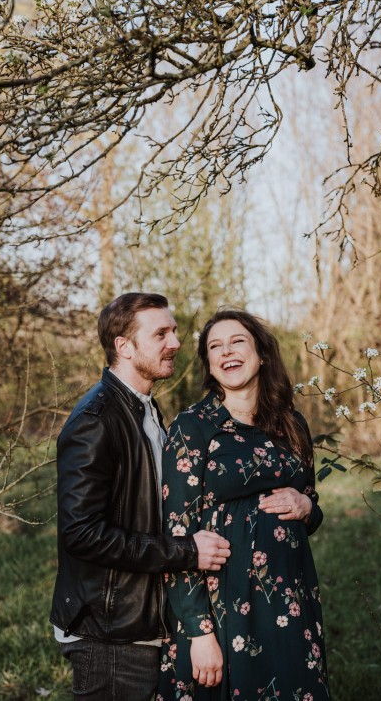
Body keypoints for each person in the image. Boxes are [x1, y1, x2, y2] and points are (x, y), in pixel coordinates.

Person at [50, 292, 231, 701]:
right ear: (124, 347)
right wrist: (185, 551)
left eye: (175, 331)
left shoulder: (144, 409)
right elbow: (81, 533)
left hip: (137, 627)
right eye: (162, 333)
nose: (177, 342)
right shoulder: (95, 421)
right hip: (110, 634)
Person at [157, 309, 330, 700]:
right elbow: (178, 535)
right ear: (209, 364)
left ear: (261, 353)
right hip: (223, 609)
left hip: (291, 601)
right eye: (214, 346)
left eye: (237, 341)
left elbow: (312, 509)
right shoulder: (194, 426)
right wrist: (200, 632)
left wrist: (306, 505)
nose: (226, 352)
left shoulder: (292, 423)